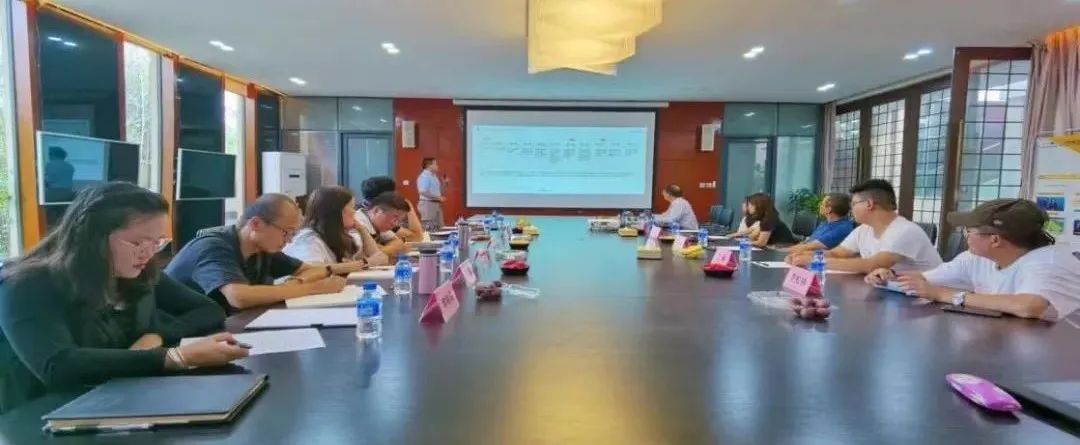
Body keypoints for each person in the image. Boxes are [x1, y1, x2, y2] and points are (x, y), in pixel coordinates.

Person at [0, 182, 248, 412]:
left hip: (119, 398)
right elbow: (58, 366)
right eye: (138, 242)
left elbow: (209, 310)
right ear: (92, 238)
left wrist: (157, 335)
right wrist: (175, 357)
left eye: (156, 243)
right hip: (46, 413)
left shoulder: (138, 272)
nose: (147, 254)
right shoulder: (26, 285)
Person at [866, 199, 1080, 320]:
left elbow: (1029, 306)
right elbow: (925, 280)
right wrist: (888, 276)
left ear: (995, 240)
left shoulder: (1049, 262)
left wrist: (945, 295)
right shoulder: (976, 257)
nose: (965, 236)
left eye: (969, 231)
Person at [165, 193, 347, 312]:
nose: (289, 240)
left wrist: (296, 282)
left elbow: (311, 269)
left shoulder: (262, 249)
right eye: (286, 232)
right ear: (256, 224)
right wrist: (313, 288)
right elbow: (238, 297)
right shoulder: (214, 246)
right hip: (178, 336)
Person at [786, 179, 941, 273]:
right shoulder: (864, 229)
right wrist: (802, 256)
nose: (851, 209)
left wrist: (814, 262)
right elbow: (837, 253)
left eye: (854, 204)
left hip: (931, 303)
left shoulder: (904, 231)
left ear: (869, 204)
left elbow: (871, 265)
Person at [284, 186, 389, 269]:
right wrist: (365, 262)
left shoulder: (344, 235)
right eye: (351, 207)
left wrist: (362, 230)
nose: (354, 211)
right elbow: (313, 270)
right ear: (337, 212)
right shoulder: (308, 239)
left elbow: (380, 259)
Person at [354, 175, 424, 244]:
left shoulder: (361, 208)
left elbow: (397, 241)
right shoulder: (380, 216)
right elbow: (417, 237)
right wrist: (408, 204)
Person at [785, 193, 855, 254]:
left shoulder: (842, 229)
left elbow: (809, 247)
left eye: (822, 204)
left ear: (829, 209)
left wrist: (783, 251)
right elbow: (807, 242)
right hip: (804, 255)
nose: (820, 205)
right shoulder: (826, 223)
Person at [354, 191, 413, 259]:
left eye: (399, 220)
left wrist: (383, 249)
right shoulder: (357, 223)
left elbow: (398, 242)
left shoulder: (378, 225)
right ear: (377, 211)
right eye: (395, 217)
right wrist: (391, 250)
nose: (395, 224)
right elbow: (369, 256)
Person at [416, 157, 444, 231]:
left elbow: (438, 192)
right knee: (428, 229)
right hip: (427, 204)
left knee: (439, 227)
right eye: (435, 164)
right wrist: (438, 198)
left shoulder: (434, 176)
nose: (437, 166)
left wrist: (444, 184)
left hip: (436, 204)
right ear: (429, 165)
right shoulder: (424, 176)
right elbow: (422, 191)